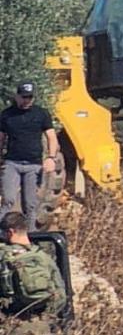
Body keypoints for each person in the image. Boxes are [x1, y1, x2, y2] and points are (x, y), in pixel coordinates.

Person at [0, 83, 60, 233]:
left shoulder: (41, 114)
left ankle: (31, 237)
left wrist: (51, 158)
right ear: (17, 96)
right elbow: (0, 138)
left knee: (30, 204)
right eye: (24, 97)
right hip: (12, 163)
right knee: (8, 200)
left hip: (34, 165)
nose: (27, 100)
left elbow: (51, 137)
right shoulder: (7, 115)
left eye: (30, 97)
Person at [0, 209, 67, 335]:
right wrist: (46, 318)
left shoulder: (3, 256)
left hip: (11, 327)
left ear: (10, 232)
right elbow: (61, 296)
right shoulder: (43, 256)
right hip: (40, 328)